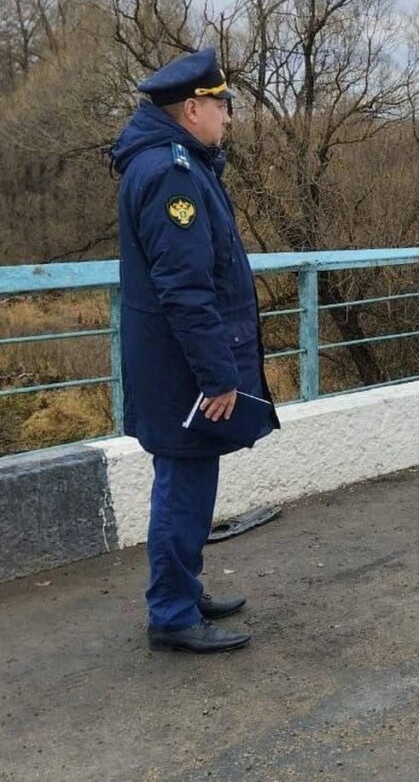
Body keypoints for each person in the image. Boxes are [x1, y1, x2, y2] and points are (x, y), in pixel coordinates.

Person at [111, 48, 279, 653]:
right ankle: (173, 614)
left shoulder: (178, 164)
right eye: (221, 105)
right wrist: (217, 375)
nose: (228, 117)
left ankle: (183, 589)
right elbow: (185, 290)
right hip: (183, 368)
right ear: (191, 109)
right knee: (183, 483)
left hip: (174, 362)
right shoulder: (170, 175)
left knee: (188, 479)